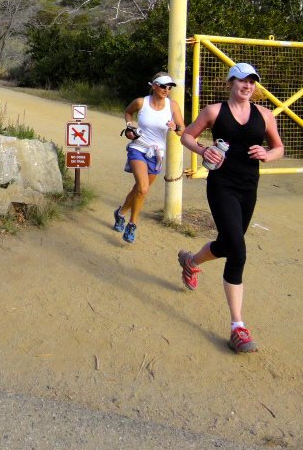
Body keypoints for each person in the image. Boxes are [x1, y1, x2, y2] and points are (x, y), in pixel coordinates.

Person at [178, 62, 283, 353]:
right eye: (241, 80)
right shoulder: (214, 112)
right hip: (221, 185)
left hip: (249, 188)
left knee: (227, 244)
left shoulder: (264, 115)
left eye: (251, 82)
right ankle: (238, 328)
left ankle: (191, 262)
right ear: (230, 83)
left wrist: (267, 154)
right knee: (238, 249)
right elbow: (187, 134)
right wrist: (202, 149)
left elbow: (279, 147)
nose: (247, 86)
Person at [113, 72, 185, 243]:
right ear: (153, 85)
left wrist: (175, 127)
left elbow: (182, 130)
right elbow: (128, 112)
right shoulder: (141, 102)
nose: (166, 90)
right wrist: (129, 126)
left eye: (169, 87)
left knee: (139, 189)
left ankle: (120, 213)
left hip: (157, 153)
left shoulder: (172, 106)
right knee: (143, 189)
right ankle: (132, 224)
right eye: (162, 86)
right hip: (138, 148)